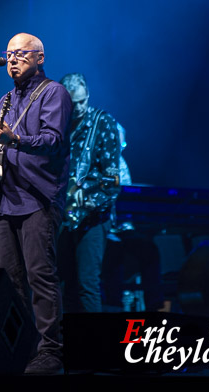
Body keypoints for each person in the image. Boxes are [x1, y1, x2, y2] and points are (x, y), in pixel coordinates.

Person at [0, 33, 72, 376]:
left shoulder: (53, 93)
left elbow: (52, 141)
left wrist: (16, 139)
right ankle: (20, 349)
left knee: (40, 276)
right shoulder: (5, 101)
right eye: (8, 54)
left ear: (39, 58)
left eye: (20, 54)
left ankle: (51, 352)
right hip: (6, 199)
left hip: (38, 199)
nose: (12, 60)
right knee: (9, 280)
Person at [57, 73, 132, 313]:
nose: (78, 108)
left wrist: (88, 199)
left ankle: (96, 345)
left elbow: (112, 180)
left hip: (93, 217)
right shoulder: (59, 126)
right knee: (61, 284)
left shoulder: (103, 122)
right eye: (73, 103)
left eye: (82, 101)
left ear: (88, 96)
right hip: (62, 214)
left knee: (87, 284)